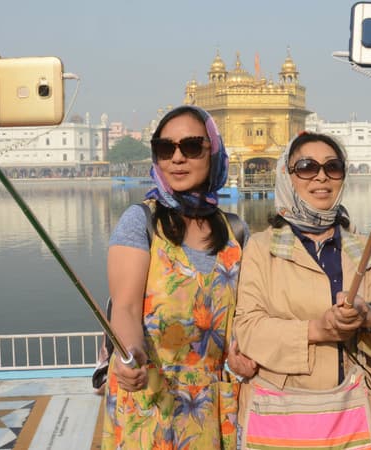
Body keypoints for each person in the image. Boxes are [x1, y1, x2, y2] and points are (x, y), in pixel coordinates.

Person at [233, 131, 371, 447]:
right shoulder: (261, 247)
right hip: (281, 409)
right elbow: (248, 329)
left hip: (354, 407)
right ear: (288, 175)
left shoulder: (361, 249)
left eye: (333, 167)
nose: (321, 177)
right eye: (307, 167)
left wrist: (369, 318)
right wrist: (316, 330)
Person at [102, 105, 257, 449]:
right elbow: (124, 308)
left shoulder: (235, 230)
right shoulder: (141, 221)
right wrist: (130, 354)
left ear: (212, 152)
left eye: (190, 147)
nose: (177, 158)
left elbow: (243, 315)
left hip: (212, 401)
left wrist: (240, 353)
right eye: (165, 148)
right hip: (149, 393)